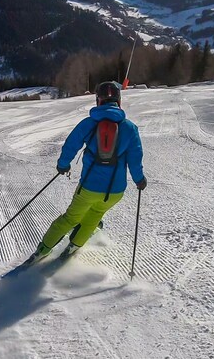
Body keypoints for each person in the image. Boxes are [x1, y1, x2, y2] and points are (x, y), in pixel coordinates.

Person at [22, 81, 147, 265]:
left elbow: (71, 145)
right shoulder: (130, 128)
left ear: (98, 101)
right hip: (114, 192)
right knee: (94, 217)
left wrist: (63, 165)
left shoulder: (89, 123)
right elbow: (135, 160)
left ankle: (43, 250)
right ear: (118, 102)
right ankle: (74, 246)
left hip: (89, 188)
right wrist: (140, 180)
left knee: (70, 218)